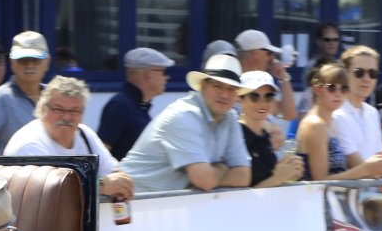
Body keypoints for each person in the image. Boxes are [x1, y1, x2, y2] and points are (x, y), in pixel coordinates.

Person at [118, 54, 251, 192]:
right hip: (128, 201)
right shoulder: (183, 115)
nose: (224, 95)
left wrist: (212, 175)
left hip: (161, 202)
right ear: (203, 86)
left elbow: (244, 176)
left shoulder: (230, 117)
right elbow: (204, 180)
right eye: (218, 86)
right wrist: (222, 168)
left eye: (231, 89)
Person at [2, 77, 134, 200]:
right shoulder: (29, 143)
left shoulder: (85, 134)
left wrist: (121, 181)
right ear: (43, 109)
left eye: (74, 111)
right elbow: (51, 194)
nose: (67, 117)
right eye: (58, 109)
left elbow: (112, 171)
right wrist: (102, 186)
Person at [296, 62, 382, 181]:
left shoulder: (327, 122)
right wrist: (365, 169)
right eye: (331, 88)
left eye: (344, 89)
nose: (338, 94)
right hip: (320, 193)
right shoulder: (316, 125)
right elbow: (320, 181)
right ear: (317, 89)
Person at [0, 31, 49, 154]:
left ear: (47, 62)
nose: (29, 65)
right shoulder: (2, 97)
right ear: (12, 63)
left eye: (36, 60)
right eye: (23, 60)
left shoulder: (53, 96)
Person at [97, 47, 173, 159]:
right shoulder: (119, 106)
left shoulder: (138, 107)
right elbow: (101, 155)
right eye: (164, 72)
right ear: (149, 75)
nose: (167, 77)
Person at [237, 71, 304, 188]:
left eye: (269, 96)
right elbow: (237, 195)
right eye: (254, 96)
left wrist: (289, 173)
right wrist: (277, 178)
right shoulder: (236, 136)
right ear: (240, 99)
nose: (262, 103)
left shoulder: (265, 136)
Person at [333, 44, 382, 161]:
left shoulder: (373, 113)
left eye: (373, 73)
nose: (366, 79)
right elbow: (357, 164)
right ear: (344, 74)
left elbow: (380, 159)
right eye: (359, 72)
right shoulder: (336, 113)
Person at [234, 29, 297, 122]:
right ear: (255, 53)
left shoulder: (261, 88)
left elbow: (289, 115)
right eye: (269, 53)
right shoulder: (230, 85)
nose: (272, 58)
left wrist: (283, 77)